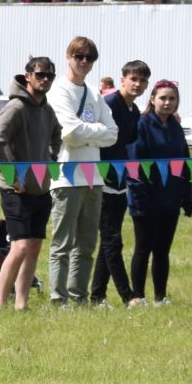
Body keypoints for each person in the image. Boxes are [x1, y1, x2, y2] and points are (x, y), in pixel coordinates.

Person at [46, 36, 117, 306]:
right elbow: (70, 133)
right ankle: (58, 297)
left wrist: (89, 134)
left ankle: (79, 297)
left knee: (87, 245)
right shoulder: (59, 91)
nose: (84, 62)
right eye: (79, 56)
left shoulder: (95, 94)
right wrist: (94, 133)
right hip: (65, 177)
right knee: (62, 244)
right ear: (68, 57)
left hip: (93, 178)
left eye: (89, 58)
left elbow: (113, 134)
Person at [0, 57, 61, 310]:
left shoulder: (47, 110)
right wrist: (12, 176)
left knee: (34, 247)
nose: (46, 80)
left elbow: (57, 134)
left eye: (50, 75)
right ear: (27, 76)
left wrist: (51, 158)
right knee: (20, 247)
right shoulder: (16, 108)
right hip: (16, 191)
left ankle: (21, 304)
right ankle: (0, 305)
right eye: (40, 74)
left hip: (41, 188)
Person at [89, 60, 150, 306]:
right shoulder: (110, 104)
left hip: (119, 180)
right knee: (113, 240)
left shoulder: (134, 110)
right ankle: (128, 296)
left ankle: (97, 296)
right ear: (122, 79)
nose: (138, 84)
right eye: (133, 79)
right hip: (101, 179)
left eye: (143, 80)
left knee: (108, 241)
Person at [128, 79, 192, 304]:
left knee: (162, 250)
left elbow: (185, 163)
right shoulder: (142, 124)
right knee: (143, 248)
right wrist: (140, 197)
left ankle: (160, 297)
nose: (167, 102)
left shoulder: (175, 127)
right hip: (145, 199)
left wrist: (187, 195)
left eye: (172, 98)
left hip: (170, 198)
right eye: (163, 98)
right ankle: (138, 296)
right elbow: (134, 165)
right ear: (153, 99)